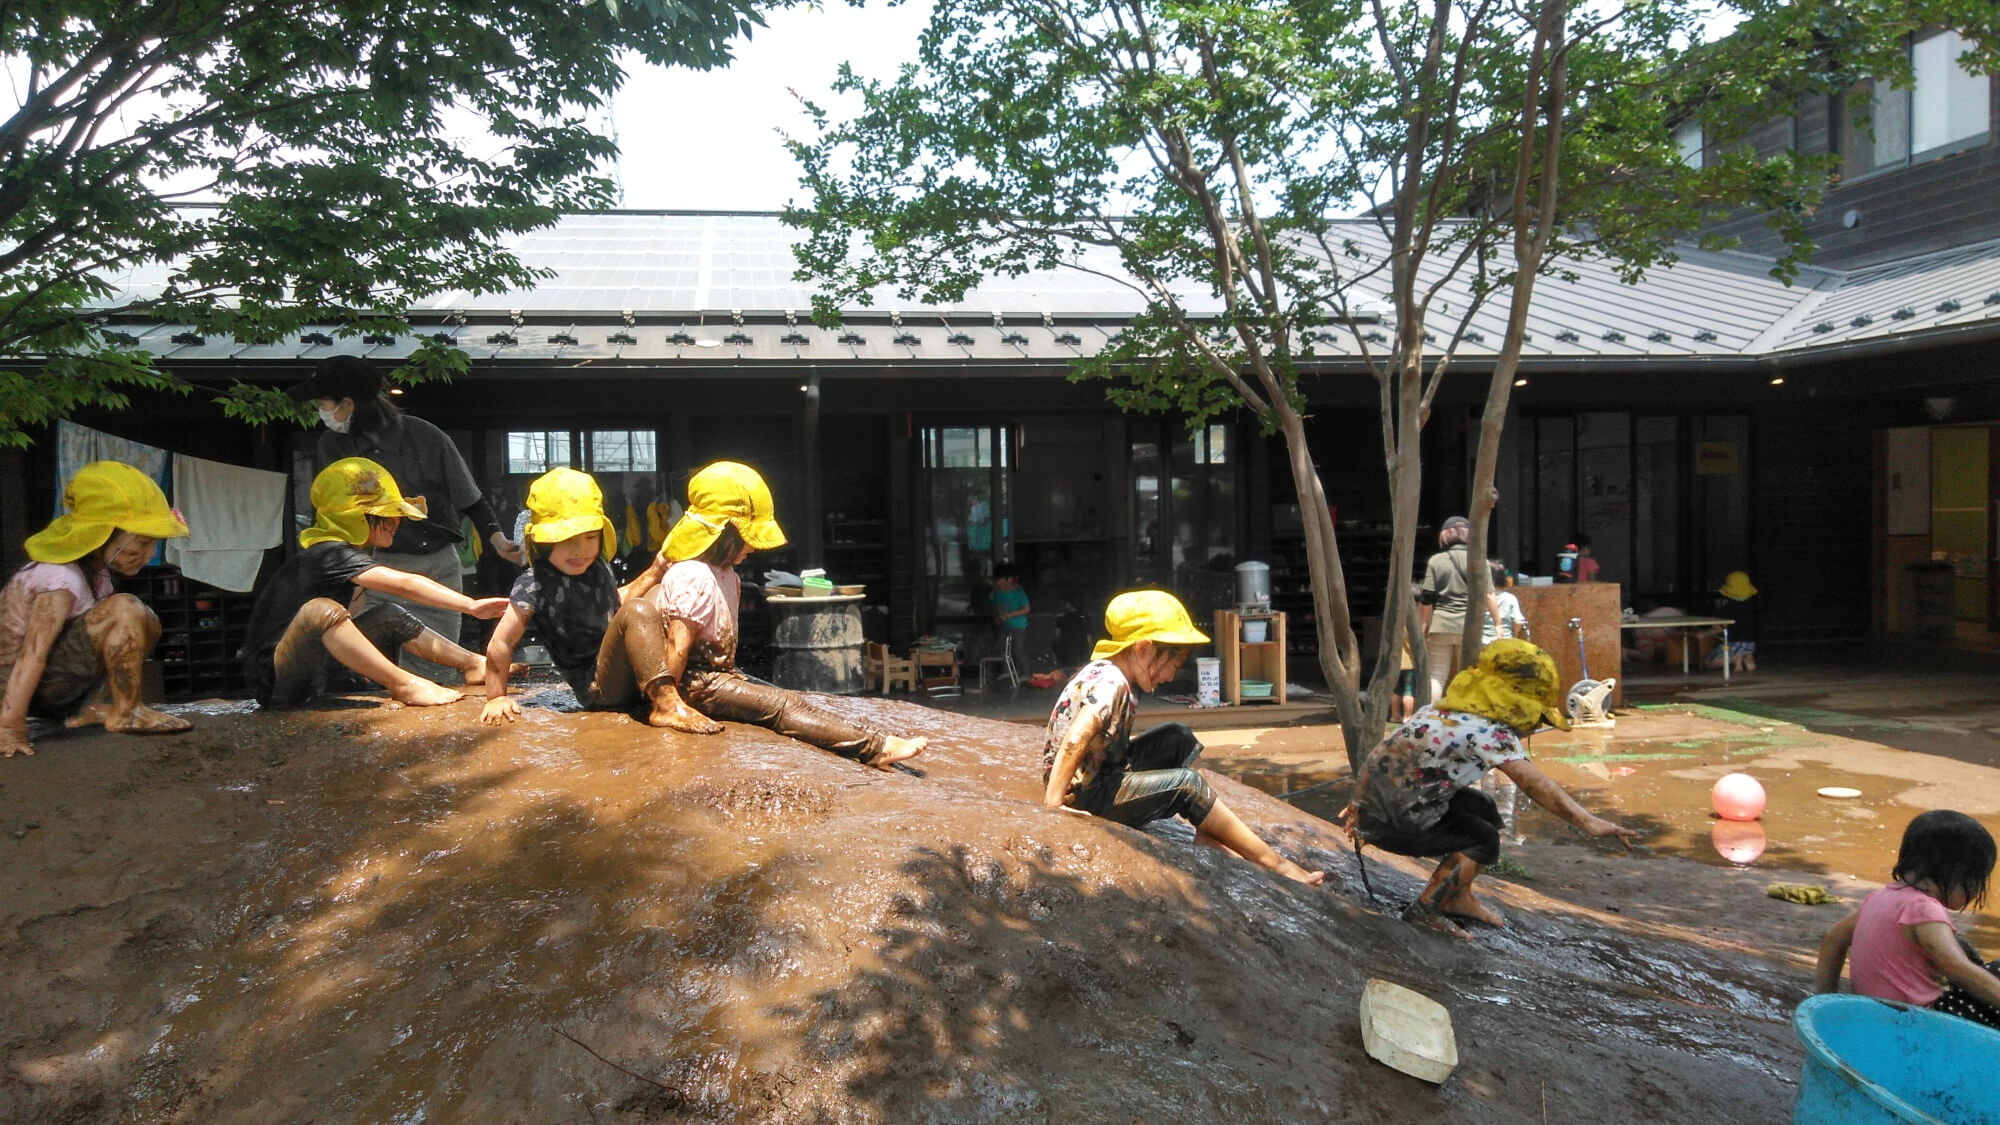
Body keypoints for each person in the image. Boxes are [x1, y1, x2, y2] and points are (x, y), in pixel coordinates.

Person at [642, 461, 927, 769]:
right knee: (784, 705)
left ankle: (873, 741)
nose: (753, 547)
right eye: (749, 537)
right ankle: (875, 747)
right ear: (726, 533)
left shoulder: (728, 575)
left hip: (717, 677)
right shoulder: (692, 575)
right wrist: (668, 700)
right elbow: (677, 646)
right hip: (698, 684)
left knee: (783, 697)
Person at [1348, 639, 1641, 934]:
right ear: (1518, 704)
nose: (1534, 727)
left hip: (1375, 812)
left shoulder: (1438, 712)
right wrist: (1589, 822)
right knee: (1482, 837)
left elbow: (1382, 755)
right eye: (1538, 718)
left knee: (1482, 806)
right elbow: (1535, 785)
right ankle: (1426, 909)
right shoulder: (1491, 733)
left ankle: (1458, 896)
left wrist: (1359, 802)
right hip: (1388, 825)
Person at [1042, 590, 1324, 885]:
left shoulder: (1106, 670)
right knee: (1186, 785)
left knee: (1178, 735)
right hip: (1087, 795)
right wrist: (1055, 805)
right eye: (1172, 665)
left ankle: (1207, 830)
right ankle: (1275, 864)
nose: (1171, 677)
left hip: (1102, 774)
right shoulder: (1112, 685)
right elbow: (1077, 738)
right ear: (1143, 650)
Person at [294, 356, 526, 679]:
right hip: (373, 564)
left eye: (323, 403)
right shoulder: (332, 446)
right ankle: (466, 667)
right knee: (374, 672)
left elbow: (470, 498)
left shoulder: (425, 436)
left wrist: (498, 540)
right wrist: (353, 586)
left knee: (435, 671)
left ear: (347, 403)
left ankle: (466, 669)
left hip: (436, 562)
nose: (320, 412)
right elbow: (335, 518)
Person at [243, 458, 509, 709]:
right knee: (320, 610)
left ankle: (473, 664)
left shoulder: (340, 553)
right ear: (353, 517)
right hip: (275, 684)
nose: (396, 522)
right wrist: (471, 605)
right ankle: (404, 684)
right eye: (385, 515)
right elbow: (404, 584)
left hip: (314, 672)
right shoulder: (328, 553)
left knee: (387, 614)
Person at [1, 462, 194, 756]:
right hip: (11, 684)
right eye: (142, 543)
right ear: (101, 534)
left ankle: (99, 707)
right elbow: (33, 652)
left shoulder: (96, 575)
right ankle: (127, 711)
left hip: (52, 686)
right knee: (125, 610)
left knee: (145, 620)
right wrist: (10, 727)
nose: (149, 555)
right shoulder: (60, 578)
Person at [479, 468, 686, 727]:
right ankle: (666, 703)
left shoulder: (597, 565)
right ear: (544, 542)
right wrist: (496, 697)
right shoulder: (534, 583)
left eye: (590, 537)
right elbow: (501, 643)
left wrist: (655, 573)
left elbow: (616, 608)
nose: (581, 550)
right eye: (568, 540)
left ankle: (681, 677)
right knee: (641, 609)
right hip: (599, 688)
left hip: (625, 668)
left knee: (658, 594)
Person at [1815, 810, 2000, 1030]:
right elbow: (1955, 967)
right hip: (1915, 1023)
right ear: (1958, 873)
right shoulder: (1924, 909)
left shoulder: (1880, 897)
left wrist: (1825, 1004)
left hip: (1872, 1014)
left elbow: (1832, 939)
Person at [1419, 515, 1476, 700]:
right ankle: (1464, 718)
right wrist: (1498, 624)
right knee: (1467, 676)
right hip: (1468, 627)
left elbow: (1427, 597)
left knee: (1436, 675)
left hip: (1441, 625)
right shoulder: (1479, 560)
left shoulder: (1436, 560)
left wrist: (1424, 624)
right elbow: (1489, 595)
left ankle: (1431, 716)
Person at [1704, 570, 1759, 674]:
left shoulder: (1728, 607)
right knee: (1745, 650)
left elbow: (1720, 627)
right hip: (1750, 644)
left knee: (1709, 662)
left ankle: (1735, 659)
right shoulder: (1752, 606)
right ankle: (1747, 657)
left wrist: (1703, 633)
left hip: (1733, 643)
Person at [989, 561, 1030, 676]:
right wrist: (996, 617)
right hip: (1004, 626)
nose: (997, 583)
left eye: (999, 580)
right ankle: (1007, 672)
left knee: (1017, 650)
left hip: (1018, 626)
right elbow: (995, 607)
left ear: (1009, 579)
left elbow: (1026, 609)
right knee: (1002, 649)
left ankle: (1026, 674)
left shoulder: (1018, 592)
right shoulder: (997, 593)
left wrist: (1009, 615)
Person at [1480, 560, 1530, 645]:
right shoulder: (1510, 598)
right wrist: (1515, 635)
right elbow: (1518, 622)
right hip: (1505, 641)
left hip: (1482, 643)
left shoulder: (1479, 598)